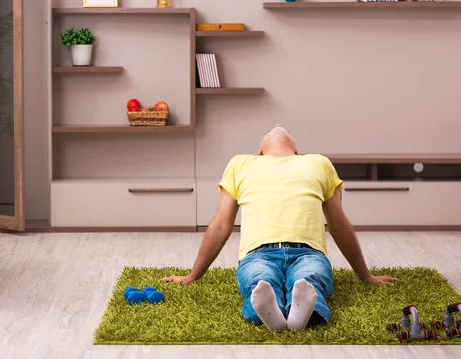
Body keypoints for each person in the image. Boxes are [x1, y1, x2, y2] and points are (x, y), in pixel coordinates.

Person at [162, 124, 396, 331]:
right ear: (260, 152)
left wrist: (366, 275)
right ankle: (281, 314)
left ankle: (293, 314)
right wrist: (193, 275)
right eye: (269, 130)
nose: (277, 124)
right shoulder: (241, 163)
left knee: (309, 278)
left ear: (296, 151)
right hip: (258, 254)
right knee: (259, 280)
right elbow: (221, 225)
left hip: (309, 253)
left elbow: (339, 226)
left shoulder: (318, 162)